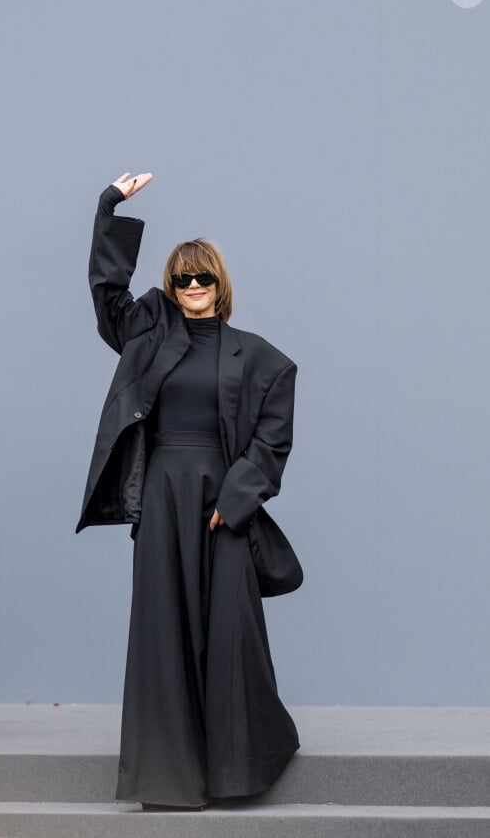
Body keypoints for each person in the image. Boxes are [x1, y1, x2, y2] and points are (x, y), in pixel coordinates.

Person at [76, 172, 301, 811]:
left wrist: (234, 502)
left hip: (224, 505)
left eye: (204, 279)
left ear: (220, 285)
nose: (194, 288)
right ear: (172, 287)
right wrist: (109, 207)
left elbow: (272, 441)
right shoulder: (148, 338)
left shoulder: (263, 359)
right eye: (183, 279)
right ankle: (165, 782)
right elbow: (106, 295)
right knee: (161, 635)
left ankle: (239, 773)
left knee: (231, 635)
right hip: (164, 498)